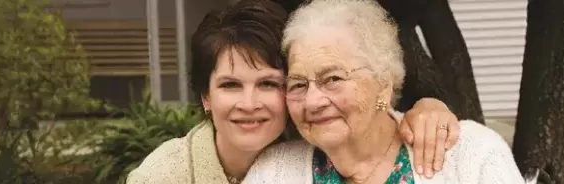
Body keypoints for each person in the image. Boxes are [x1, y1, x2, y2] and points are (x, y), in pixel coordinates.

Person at [126, 0, 460, 183]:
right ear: (206, 97)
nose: (249, 104)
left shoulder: (314, 139)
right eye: (230, 85)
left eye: (269, 83)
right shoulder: (163, 176)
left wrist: (430, 106)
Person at [243, 0, 524, 183]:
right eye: (299, 84)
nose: (313, 101)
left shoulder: (471, 155)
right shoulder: (272, 173)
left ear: (384, 83)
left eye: (333, 78)